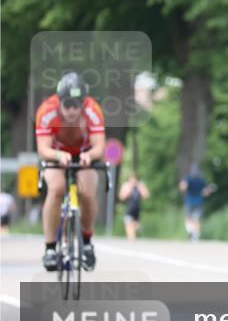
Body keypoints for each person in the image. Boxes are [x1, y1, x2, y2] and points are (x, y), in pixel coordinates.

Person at [35, 72, 106, 271]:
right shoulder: (47, 110)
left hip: (84, 154)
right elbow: (42, 148)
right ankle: (50, 248)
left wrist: (90, 156)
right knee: (56, 188)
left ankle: (87, 241)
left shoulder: (93, 110)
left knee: (88, 192)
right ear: (59, 101)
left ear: (84, 102)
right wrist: (58, 157)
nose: (72, 110)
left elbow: (100, 146)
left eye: (77, 104)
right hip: (56, 154)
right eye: (67, 105)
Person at [179, 164, 215, 242]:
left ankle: (190, 231)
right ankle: (196, 236)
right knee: (197, 219)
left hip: (189, 201)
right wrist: (210, 189)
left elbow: (183, 186)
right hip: (199, 201)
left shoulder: (188, 178)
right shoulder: (201, 180)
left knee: (189, 217)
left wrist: (184, 191)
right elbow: (205, 192)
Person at [118, 173, 150, 240]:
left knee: (136, 227)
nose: (133, 181)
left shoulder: (140, 186)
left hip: (137, 210)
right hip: (128, 209)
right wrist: (129, 190)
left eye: (135, 180)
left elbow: (146, 196)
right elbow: (121, 197)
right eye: (132, 179)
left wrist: (140, 188)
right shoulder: (126, 186)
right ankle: (131, 241)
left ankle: (136, 233)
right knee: (129, 228)